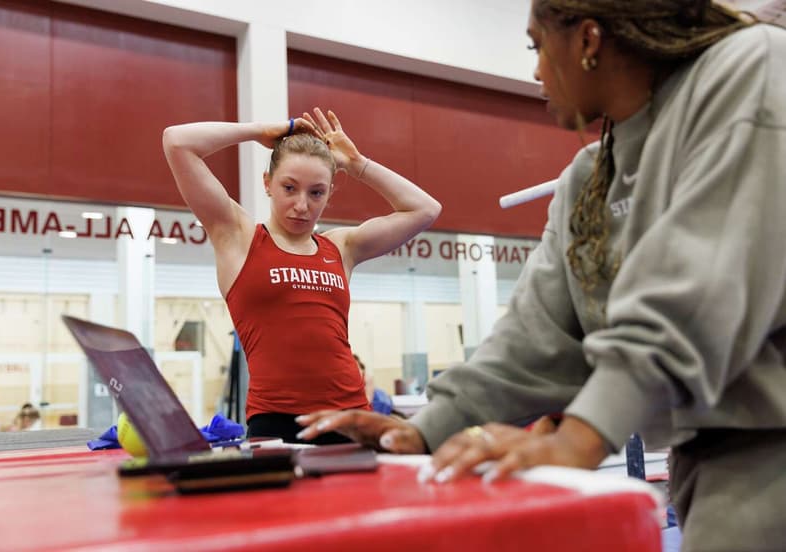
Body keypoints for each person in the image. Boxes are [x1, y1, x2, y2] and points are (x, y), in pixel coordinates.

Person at [298, 2, 786, 549]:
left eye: (537, 46)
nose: (534, 71)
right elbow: (536, 334)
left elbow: (700, 286)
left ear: (589, 41)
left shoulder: (752, 66)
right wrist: (426, 427)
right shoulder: (589, 175)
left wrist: (578, 438)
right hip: (706, 458)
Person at [163, 108, 441, 444]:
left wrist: (356, 164)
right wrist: (258, 130)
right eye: (289, 188)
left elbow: (425, 210)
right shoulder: (238, 237)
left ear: (329, 193)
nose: (301, 205)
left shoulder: (341, 247)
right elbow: (177, 142)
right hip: (276, 423)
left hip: (352, 416)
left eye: (316, 192)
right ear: (267, 184)